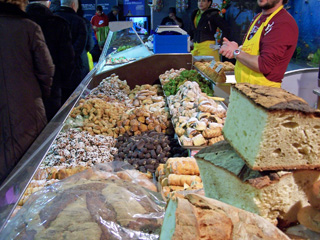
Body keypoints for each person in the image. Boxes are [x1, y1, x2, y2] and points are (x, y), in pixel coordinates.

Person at [0, 0, 54, 185]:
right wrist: (41, 95)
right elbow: (47, 69)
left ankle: (5, 204)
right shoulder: (29, 28)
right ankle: (19, 208)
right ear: (22, 2)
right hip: (27, 106)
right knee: (29, 165)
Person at [219, 0, 298, 88]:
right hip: (244, 88)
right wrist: (236, 48)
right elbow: (253, 49)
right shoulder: (258, 17)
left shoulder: (282, 23)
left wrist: (236, 52)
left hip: (263, 93)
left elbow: (264, 65)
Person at [26, 0, 75, 121]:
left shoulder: (18, 25)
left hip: (24, 87)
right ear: (48, 4)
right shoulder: (58, 24)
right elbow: (67, 58)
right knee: (52, 122)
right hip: (53, 83)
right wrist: (64, 81)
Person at [54, 0, 88, 103]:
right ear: (74, 5)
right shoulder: (79, 21)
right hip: (73, 69)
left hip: (55, 70)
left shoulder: (52, 19)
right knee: (72, 101)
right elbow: (81, 45)